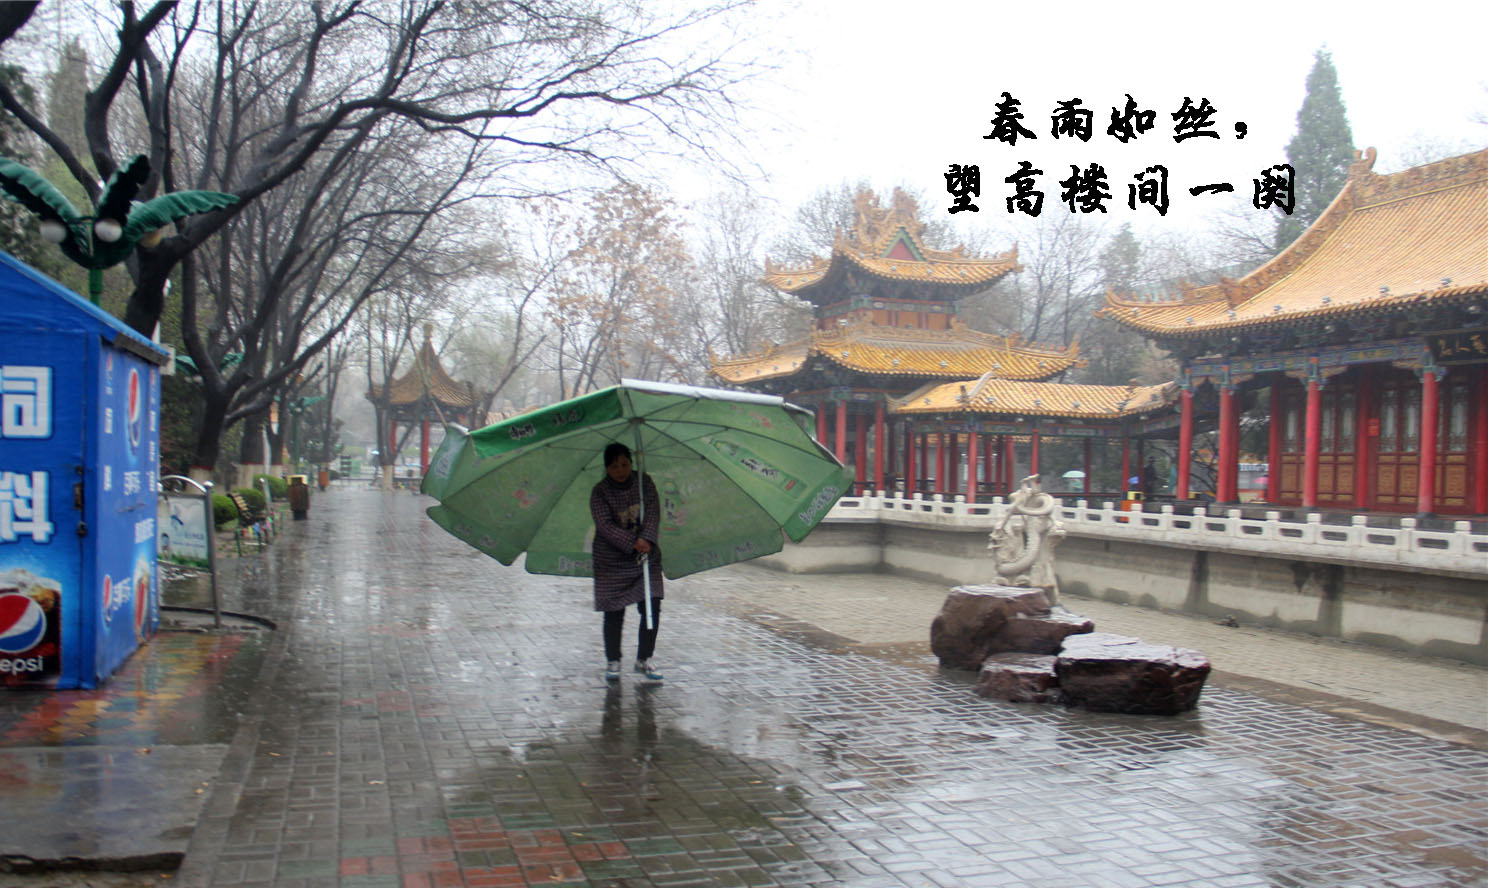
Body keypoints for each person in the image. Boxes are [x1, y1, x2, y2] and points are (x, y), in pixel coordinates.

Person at [590, 442, 664, 683]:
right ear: (606, 468)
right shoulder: (600, 492)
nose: (620, 471)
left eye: (624, 464)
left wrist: (646, 538)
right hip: (611, 560)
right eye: (614, 467)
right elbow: (605, 525)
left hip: (645, 555)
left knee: (652, 605)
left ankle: (644, 659)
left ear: (631, 463)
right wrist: (633, 541)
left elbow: (653, 511)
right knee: (614, 612)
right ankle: (613, 660)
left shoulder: (644, 483)